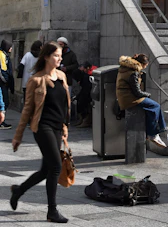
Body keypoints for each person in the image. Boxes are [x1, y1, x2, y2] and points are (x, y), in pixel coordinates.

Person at [10, 41, 71, 223]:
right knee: (56, 167)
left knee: (46, 170)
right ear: (46, 56)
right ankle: (52, 211)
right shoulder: (35, 80)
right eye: (55, 56)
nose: (59, 59)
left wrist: (65, 128)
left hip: (57, 127)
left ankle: (19, 190)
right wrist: (18, 136)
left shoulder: (61, 76)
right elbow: (27, 110)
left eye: (60, 56)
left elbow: (63, 105)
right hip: (42, 127)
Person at [116, 53, 167, 148]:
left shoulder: (125, 68)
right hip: (130, 99)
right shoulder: (133, 73)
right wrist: (148, 94)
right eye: (145, 66)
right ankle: (154, 134)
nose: (144, 68)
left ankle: (153, 132)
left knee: (150, 108)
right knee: (155, 106)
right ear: (142, 64)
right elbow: (137, 92)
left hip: (124, 97)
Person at [72, 61, 96, 128]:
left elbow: (86, 90)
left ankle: (86, 120)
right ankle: (82, 119)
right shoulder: (85, 75)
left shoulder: (87, 76)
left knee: (82, 103)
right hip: (89, 93)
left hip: (90, 94)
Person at [0, 39, 14, 129]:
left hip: (3, 83)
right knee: (4, 102)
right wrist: (6, 81)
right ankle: (1, 122)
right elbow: (2, 70)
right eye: (10, 47)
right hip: (2, 84)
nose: (11, 48)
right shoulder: (2, 55)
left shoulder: (4, 55)